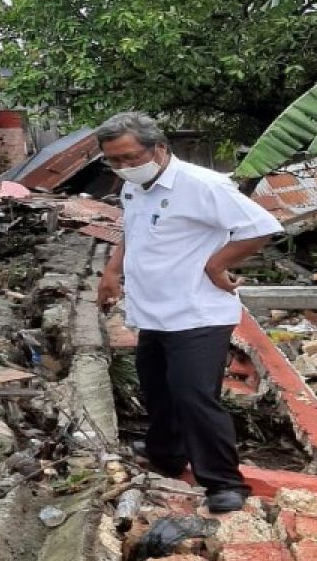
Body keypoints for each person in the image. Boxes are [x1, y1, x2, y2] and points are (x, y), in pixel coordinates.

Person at [94, 111, 282, 513]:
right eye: (115, 161)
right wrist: (112, 271)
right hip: (154, 311)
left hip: (198, 313)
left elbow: (260, 226)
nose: (124, 167)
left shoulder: (201, 184)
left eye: (130, 157)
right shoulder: (135, 189)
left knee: (195, 396)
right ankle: (166, 455)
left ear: (159, 148)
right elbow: (133, 231)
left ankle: (223, 482)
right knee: (158, 389)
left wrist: (215, 264)